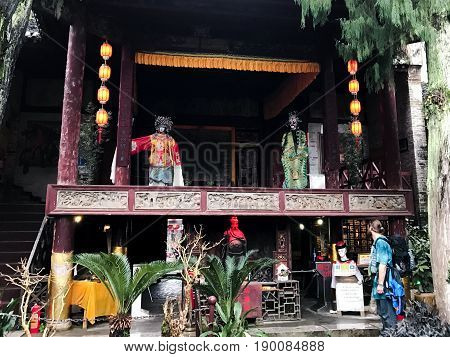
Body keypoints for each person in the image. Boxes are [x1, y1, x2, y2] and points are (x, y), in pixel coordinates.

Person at [110, 116, 184, 186]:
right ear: (158, 127)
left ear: (166, 128)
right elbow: (141, 143)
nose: (161, 129)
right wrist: (125, 144)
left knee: (166, 181)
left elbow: (175, 149)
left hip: (166, 163)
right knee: (154, 181)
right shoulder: (153, 138)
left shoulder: (170, 140)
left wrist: (176, 162)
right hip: (155, 162)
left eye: (163, 127)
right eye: (160, 127)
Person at [368, 219, 396, 331]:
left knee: (386, 309)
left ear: (371, 228)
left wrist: (380, 284)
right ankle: (387, 332)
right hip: (381, 280)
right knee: (381, 310)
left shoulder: (381, 243)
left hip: (384, 281)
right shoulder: (379, 242)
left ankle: (390, 332)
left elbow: (383, 264)